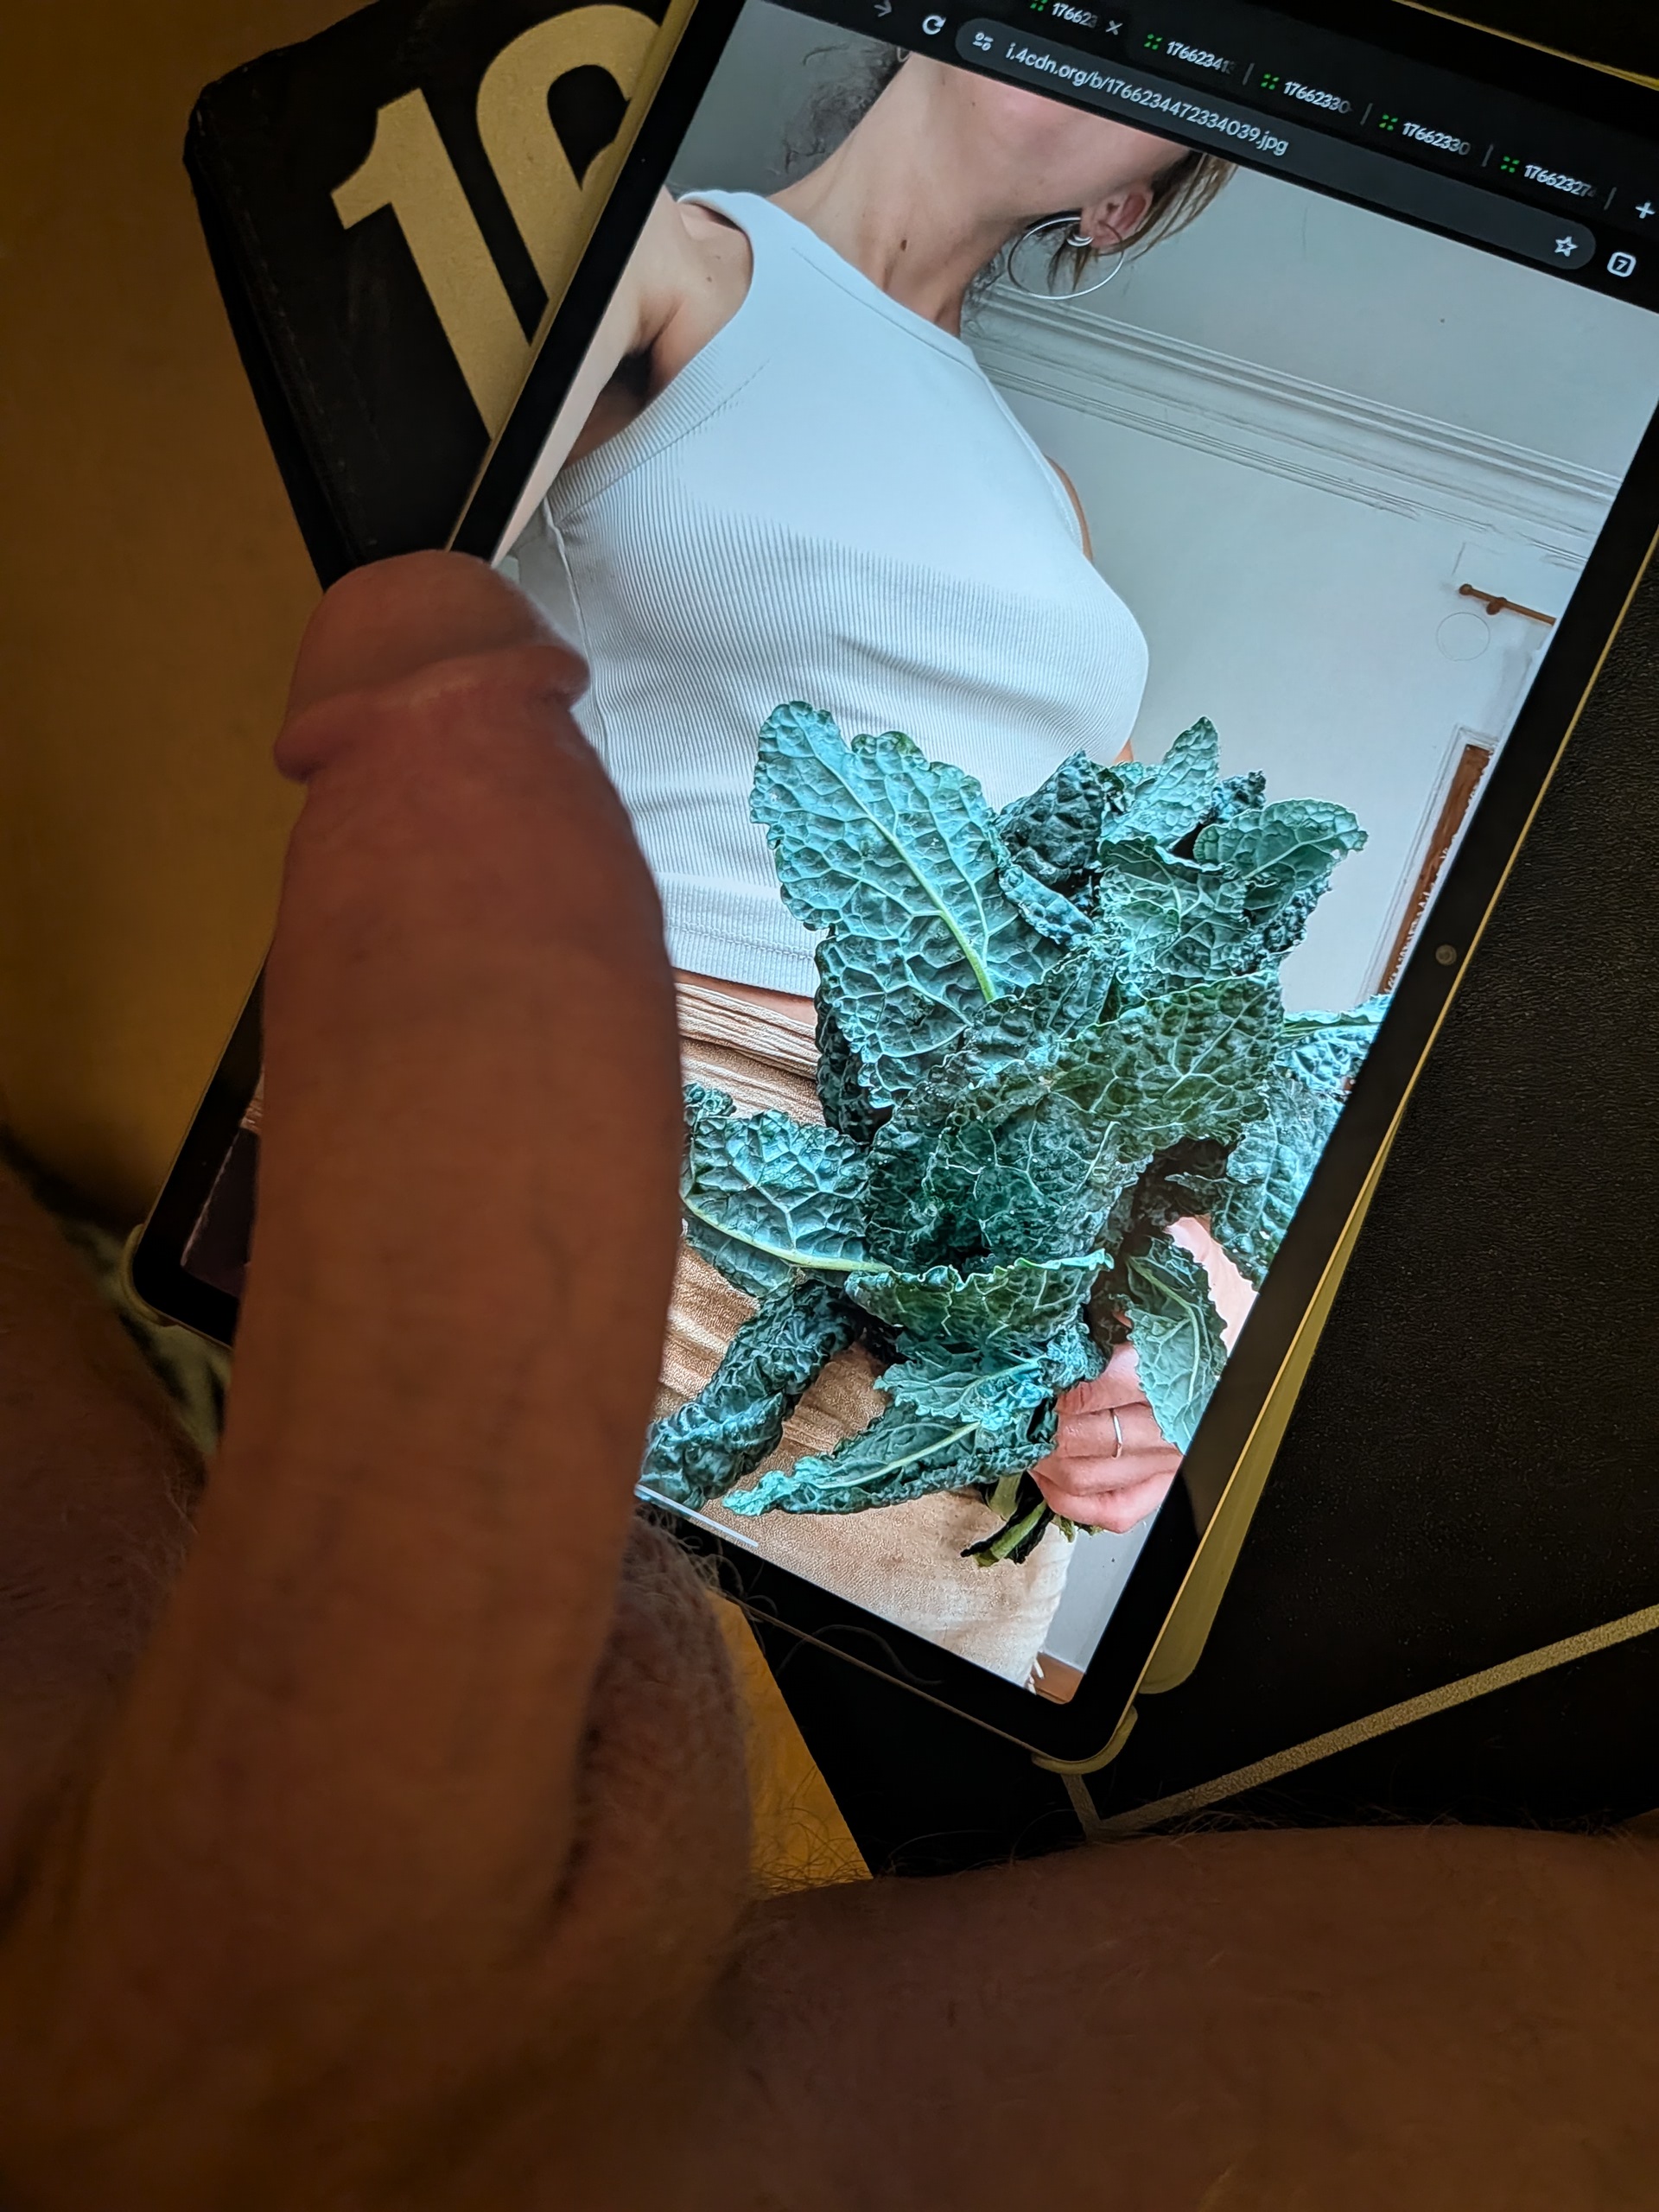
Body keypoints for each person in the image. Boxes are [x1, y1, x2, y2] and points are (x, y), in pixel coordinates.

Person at [0, 555, 1650, 2209]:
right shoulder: (683, 376)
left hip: (951, 1309)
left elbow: (1153, 1083)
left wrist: (1166, 1334)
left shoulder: (1063, 563)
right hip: (691, 1066)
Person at [510, 53, 1242, 1683]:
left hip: (975, 1287)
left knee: (861, 1783)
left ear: (1119, 207)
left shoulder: (1046, 499)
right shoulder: (664, 261)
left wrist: (1178, 1273)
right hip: (643, 1140)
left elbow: (1104, 931)